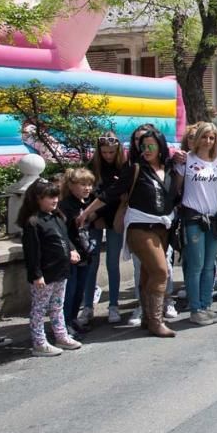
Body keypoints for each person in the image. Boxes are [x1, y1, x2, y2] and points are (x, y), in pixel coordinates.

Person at [79, 128, 180, 337]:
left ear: (161, 146)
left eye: (151, 145)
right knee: (161, 272)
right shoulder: (135, 168)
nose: (147, 149)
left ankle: (146, 318)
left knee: (147, 274)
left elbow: (176, 195)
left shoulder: (170, 168)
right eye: (143, 146)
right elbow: (111, 192)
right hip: (140, 228)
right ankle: (156, 320)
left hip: (163, 228)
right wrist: (87, 212)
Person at [19, 179, 82, 356]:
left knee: (57, 306)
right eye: (50, 197)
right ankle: (39, 342)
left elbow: (63, 237)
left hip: (60, 272)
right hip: (45, 274)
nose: (55, 200)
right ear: (38, 198)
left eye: (56, 197)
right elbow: (32, 252)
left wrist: (71, 249)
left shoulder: (56, 217)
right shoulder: (33, 222)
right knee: (39, 309)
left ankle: (61, 336)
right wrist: (37, 275)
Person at [176, 122, 217, 326]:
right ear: (197, 139)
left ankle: (206, 305)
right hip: (193, 219)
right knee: (195, 265)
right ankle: (195, 308)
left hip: (214, 220)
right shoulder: (186, 160)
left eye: (212, 138)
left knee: (209, 266)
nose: (208, 141)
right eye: (204, 137)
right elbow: (177, 188)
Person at [85, 133, 126, 325]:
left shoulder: (123, 167)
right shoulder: (92, 168)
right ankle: (87, 306)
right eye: (104, 152)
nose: (108, 156)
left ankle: (113, 304)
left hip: (114, 217)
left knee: (112, 263)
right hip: (95, 219)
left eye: (111, 152)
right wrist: (95, 216)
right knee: (91, 262)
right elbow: (89, 195)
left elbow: (120, 196)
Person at [58, 168, 100, 340]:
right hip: (73, 254)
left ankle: (73, 319)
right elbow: (62, 231)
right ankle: (65, 323)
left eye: (89, 184)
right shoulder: (66, 205)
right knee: (70, 290)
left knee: (79, 290)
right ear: (71, 185)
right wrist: (71, 249)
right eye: (83, 184)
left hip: (86, 252)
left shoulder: (87, 203)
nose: (87, 188)